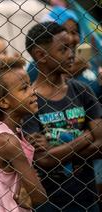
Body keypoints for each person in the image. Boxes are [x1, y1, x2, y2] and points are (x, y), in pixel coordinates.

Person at [23, 22, 102, 211]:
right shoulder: (30, 100)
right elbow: (42, 160)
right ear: (41, 55)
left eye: (72, 47)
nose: (71, 54)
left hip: (87, 197)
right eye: (63, 49)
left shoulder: (81, 91)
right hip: (51, 201)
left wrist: (57, 153)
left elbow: (101, 144)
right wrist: (85, 137)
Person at [0, 57, 47, 211]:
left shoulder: (4, 132)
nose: (33, 91)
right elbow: (39, 196)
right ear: (4, 102)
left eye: (30, 85)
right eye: (24, 88)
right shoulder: (7, 142)